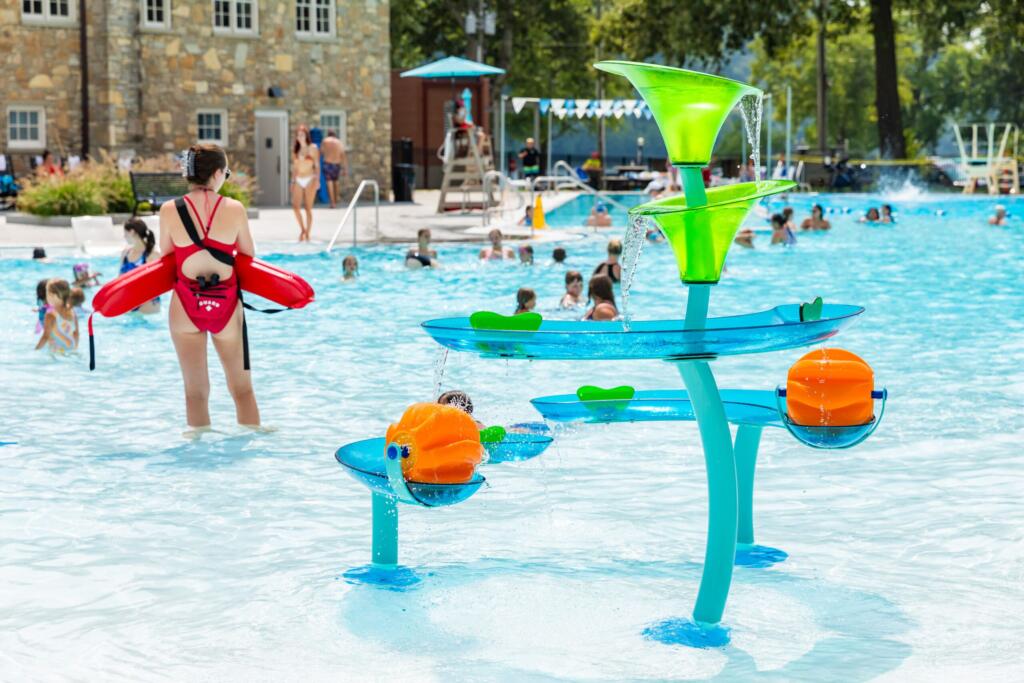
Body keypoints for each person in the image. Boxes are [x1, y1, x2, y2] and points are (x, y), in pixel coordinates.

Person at [159, 143, 260, 432]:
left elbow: (167, 255)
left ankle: (197, 451)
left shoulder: (169, 210)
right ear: (217, 174)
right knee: (242, 389)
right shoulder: (234, 209)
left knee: (195, 392)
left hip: (185, 304)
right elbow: (248, 253)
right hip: (226, 304)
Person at [120, 217, 162, 314]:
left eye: (125, 233)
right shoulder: (125, 253)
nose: (124, 236)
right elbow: (119, 279)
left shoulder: (152, 254)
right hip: (129, 302)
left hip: (148, 302)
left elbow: (158, 283)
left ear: (131, 232)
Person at [291, 124, 320, 242]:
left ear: (306, 135)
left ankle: (308, 233)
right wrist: (292, 181)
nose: (300, 137)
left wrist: (317, 180)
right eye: (298, 135)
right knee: (295, 207)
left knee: (308, 208)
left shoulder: (312, 148)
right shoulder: (296, 150)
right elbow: (295, 168)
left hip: (310, 179)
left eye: (302, 135)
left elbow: (317, 165)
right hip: (299, 179)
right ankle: (302, 229)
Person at [35, 279, 78, 355]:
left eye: (48, 294)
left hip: (56, 349)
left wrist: (36, 350)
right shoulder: (72, 312)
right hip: (70, 346)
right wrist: (75, 348)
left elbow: (45, 336)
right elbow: (76, 333)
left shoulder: (50, 314)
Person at [320, 129, 349, 209]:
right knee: (336, 182)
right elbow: (343, 155)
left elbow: (321, 151)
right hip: (336, 164)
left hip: (327, 163)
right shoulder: (338, 142)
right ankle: (336, 199)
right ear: (335, 135)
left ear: (328, 134)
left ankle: (332, 202)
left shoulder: (325, 141)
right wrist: (345, 169)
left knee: (329, 183)